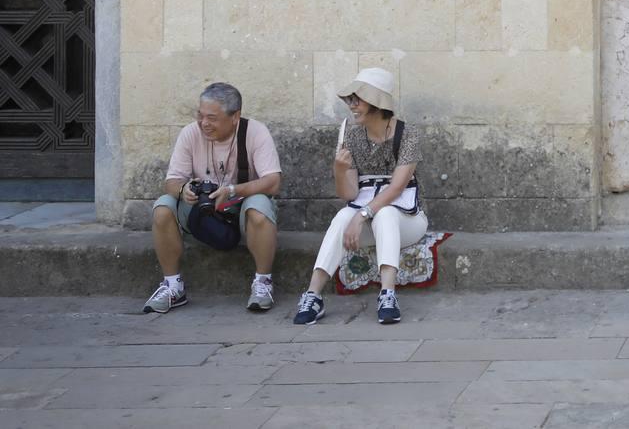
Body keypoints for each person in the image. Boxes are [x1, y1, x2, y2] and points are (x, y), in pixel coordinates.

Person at [293, 68, 428, 325]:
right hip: (368, 221)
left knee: (385, 212)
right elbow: (349, 193)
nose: (352, 106)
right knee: (343, 214)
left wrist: (363, 214)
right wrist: (339, 170)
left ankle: (388, 294)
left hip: (408, 221)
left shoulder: (407, 134)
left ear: (377, 103)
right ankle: (313, 294)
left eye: (358, 99)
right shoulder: (351, 134)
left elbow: (397, 188)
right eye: (350, 100)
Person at [144, 82, 283, 315]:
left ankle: (263, 283)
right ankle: (172, 286)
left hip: (240, 208)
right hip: (202, 209)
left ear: (235, 116)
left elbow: (273, 182)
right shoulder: (190, 133)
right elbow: (171, 182)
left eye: (212, 118)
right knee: (162, 207)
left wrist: (232, 191)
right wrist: (183, 190)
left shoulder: (255, 132)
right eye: (200, 116)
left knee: (259, 206)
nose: (204, 124)